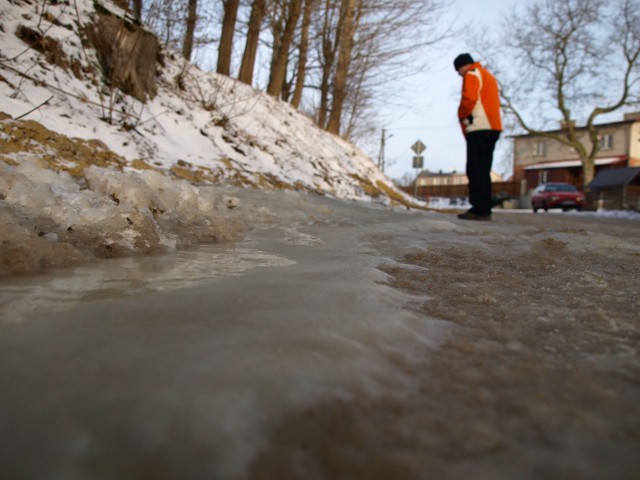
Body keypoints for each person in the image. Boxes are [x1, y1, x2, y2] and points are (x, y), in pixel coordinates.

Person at [454, 53, 503, 220]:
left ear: (463, 66)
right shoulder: (488, 76)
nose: (459, 75)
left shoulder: (472, 74)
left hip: (479, 127)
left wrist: (461, 114)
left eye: (458, 70)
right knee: (484, 168)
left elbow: (469, 98)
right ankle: (484, 207)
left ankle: (480, 209)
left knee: (475, 169)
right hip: (493, 127)